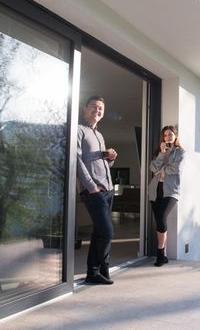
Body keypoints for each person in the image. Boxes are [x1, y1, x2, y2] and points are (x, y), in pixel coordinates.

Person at [77, 95, 118, 284]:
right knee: (107, 233)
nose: (97, 110)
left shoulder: (99, 135)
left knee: (98, 233)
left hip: (108, 189)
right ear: (85, 108)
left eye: (101, 108)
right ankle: (103, 267)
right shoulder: (79, 130)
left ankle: (93, 273)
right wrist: (91, 187)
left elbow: (102, 166)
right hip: (94, 191)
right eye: (93, 107)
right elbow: (76, 160)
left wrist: (110, 158)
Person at [148, 125, 185, 267]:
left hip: (171, 191)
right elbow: (152, 168)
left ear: (175, 136)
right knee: (159, 220)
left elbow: (176, 168)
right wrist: (162, 154)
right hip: (155, 189)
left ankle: (160, 253)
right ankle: (162, 255)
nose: (167, 137)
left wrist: (161, 170)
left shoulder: (180, 152)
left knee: (162, 217)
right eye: (165, 135)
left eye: (170, 135)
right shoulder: (159, 152)